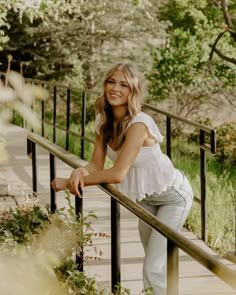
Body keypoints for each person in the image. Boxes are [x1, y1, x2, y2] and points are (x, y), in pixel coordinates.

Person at [52, 63, 193, 295]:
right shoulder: (104, 122)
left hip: (173, 197)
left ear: (133, 91)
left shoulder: (139, 124)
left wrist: (71, 182)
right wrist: (76, 173)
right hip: (145, 198)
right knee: (154, 262)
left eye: (124, 85)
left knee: (153, 268)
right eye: (111, 82)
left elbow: (117, 174)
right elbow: (95, 165)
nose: (115, 88)